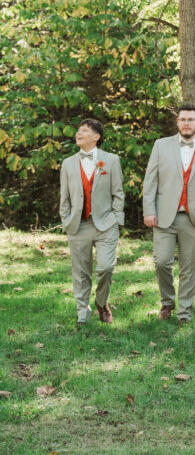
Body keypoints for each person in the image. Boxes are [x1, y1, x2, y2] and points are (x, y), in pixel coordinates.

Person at [143, 105, 195, 325]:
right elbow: (150, 181)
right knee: (161, 262)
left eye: (191, 119)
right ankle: (167, 301)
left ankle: (184, 311)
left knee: (189, 266)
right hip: (164, 216)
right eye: (182, 119)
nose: (186, 123)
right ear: (177, 122)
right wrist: (149, 210)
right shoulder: (161, 145)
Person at [59, 118, 124, 325]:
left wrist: (116, 219)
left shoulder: (111, 160)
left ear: (96, 137)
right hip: (78, 225)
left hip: (106, 223)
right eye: (78, 130)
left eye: (84, 131)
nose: (79, 133)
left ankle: (101, 302)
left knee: (105, 267)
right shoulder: (68, 163)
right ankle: (82, 313)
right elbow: (65, 198)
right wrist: (67, 221)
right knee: (80, 271)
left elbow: (118, 193)